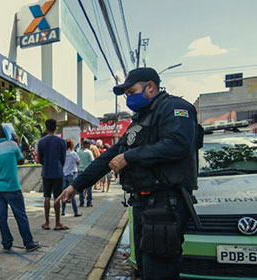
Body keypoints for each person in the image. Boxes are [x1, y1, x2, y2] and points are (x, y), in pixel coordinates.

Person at [57, 67, 200, 280]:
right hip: (143, 205)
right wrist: (76, 185)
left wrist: (131, 157)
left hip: (165, 205)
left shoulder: (175, 108)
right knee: (144, 268)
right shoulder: (140, 121)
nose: (128, 99)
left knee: (159, 271)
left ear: (150, 86)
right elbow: (109, 157)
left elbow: (178, 144)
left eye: (132, 92)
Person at [0, 126, 40, 252]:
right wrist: (17, 143)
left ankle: (6, 243)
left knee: (1, 217)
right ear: (8, 134)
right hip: (13, 188)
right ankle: (29, 243)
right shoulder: (13, 146)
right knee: (20, 216)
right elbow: (21, 161)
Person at [37, 119, 68, 231]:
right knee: (57, 197)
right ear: (56, 128)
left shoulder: (41, 142)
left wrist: (46, 164)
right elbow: (63, 159)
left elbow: (40, 159)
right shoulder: (62, 142)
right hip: (58, 172)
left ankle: (47, 222)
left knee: (46, 196)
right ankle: (57, 223)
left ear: (46, 128)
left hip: (46, 172)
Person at [61, 138, 81, 217]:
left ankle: (63, 211)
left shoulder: (62, 154)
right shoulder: (73, 154)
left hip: (63, 174)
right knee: (72, 194)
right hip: (72, 174)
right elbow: (78, 162)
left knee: (64, 193)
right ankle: (75, 212)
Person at [77, 139, 94, 207]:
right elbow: (92, 161)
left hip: (80, 170)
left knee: (81, 187)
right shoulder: (89, 152)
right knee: (89, 187)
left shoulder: (78, 151)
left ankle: (81, 202)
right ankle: (89, 202)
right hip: (88, 171)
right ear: (87, 145)